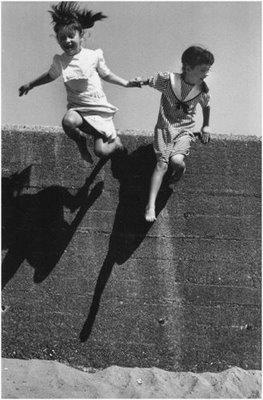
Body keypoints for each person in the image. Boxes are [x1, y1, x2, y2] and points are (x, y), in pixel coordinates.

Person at [19, 2, 141, 164]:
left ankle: (116, 144)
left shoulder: (93, 56)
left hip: (98, 110)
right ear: (58, 40)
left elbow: (107, 75)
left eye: (71, 36)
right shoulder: (60, 60)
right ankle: (81, 143)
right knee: (68, 121)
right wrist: (31, 84)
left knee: (101, 152)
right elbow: (49, 76)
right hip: (79, 110)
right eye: (62, 38)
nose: (67, 41)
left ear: (81, 36)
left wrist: (126, 83)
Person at [137, 45, 214, 222]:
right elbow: (148, 81)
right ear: (188, 67)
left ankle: (179, 173)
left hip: (184, 130)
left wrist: (206, 126)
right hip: (164, 128)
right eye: (203, 70)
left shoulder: (201, 90)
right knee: (162, 165)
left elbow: (206, 106)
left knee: (177, 162)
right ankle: (151, 205)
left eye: (208, 70)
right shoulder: (168, 81)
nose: (207, 74)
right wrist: (137, 82)